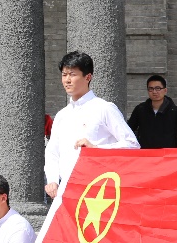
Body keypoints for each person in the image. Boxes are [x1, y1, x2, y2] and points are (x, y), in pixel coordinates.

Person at [43, 51, 139, 202]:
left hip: (99, 190)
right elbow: (52, 152)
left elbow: (132, 145)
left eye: (72, 74)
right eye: (64, 74)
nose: (67, 80)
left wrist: (96, 149)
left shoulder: (104, 108)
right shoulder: (62, 115)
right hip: (66, 191)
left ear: (88, 77)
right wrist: (52, 180)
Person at [126, 74, 177, 149]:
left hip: (167, 154)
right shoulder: (140, 110)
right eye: (151, 89)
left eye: (158, 88)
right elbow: (127, 131)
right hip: (145, 153)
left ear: (165, 90)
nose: (154, 92)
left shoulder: (174, 111)